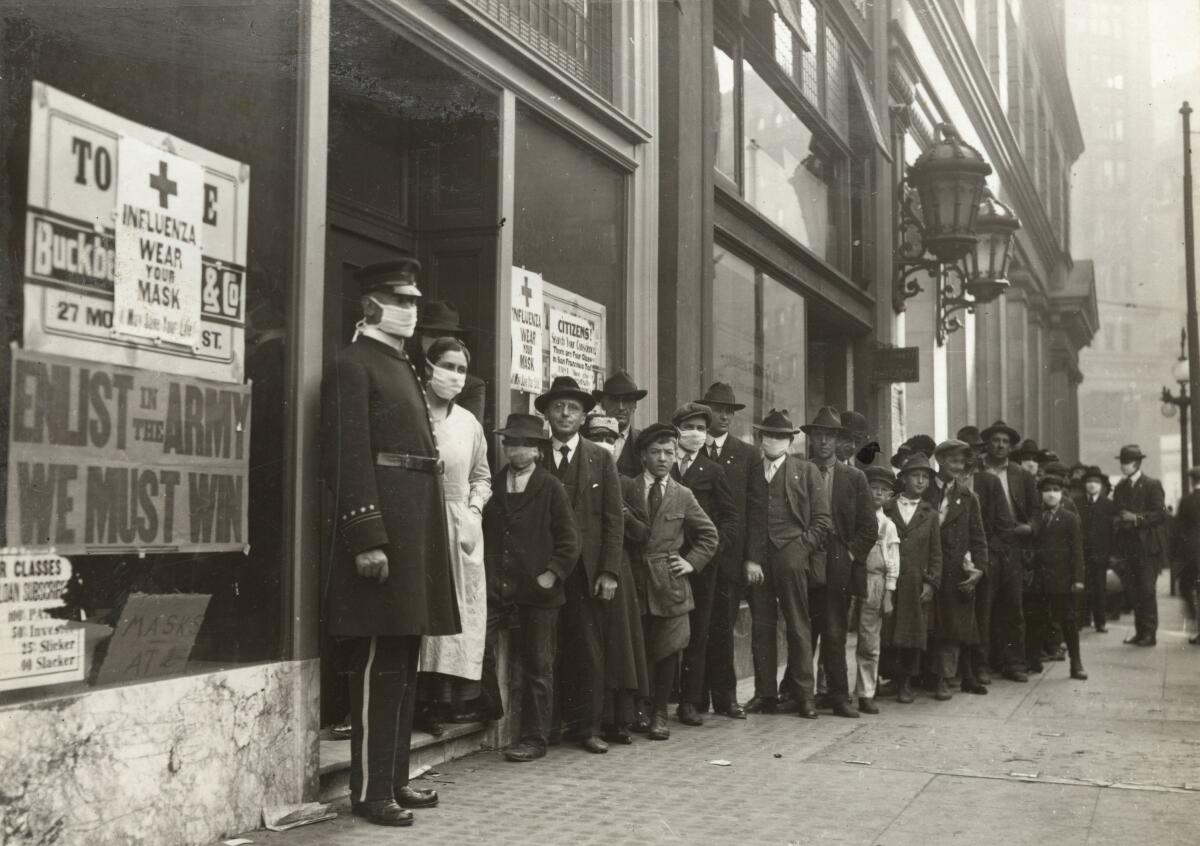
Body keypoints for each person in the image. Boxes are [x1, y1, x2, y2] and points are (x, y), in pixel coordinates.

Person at [321, 258, 459, 826]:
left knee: (403, 658)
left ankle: (395, 780)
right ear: (370, 304)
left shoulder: (399, 366)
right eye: (400, 299)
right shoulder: (355, 365)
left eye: (415, 300)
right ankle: (371, 791)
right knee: (380, 660)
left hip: (415, 529)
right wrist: (365, 535)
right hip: (384, 534)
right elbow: (349, 455)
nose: (411, 308)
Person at [483, 413, 581, 763]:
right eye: (509, 442)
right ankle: (489, 709)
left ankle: (534, 737)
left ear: (538, 450)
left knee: (538, 664)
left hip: (539, 592)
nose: (514, 449)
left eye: (522, 443)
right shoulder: (496, 483)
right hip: (500, 586)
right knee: (479, 644)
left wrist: (552, 575)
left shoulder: (550, 486)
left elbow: (570, 541)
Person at [537, 375, 624, 753]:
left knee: (588, 649)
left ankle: (588, 728)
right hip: (546, 571)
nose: (565, 413)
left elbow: (612, 520)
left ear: (584, 414)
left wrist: (608, 571)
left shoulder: (600, 458)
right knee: (545, 649)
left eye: (572, 407)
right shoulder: (536, 455)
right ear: (547, 414)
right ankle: (549, 727)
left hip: (588, 572)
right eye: (558, 406)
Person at [416, 338, 492, 733]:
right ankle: (417, 704)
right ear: (428, 367)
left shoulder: (468, 423)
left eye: (462, 369)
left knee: (459, 611)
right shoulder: (413, 414)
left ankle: (445, 703)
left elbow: (482, 477)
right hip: (420, 519)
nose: (455, 376)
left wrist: (474, 510)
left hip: (461, 523)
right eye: (448, 366)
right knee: (423, 606)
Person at [627, 423, 719, 740]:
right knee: (639, 647)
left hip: (670, 585)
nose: (663, 458)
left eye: (669, 452)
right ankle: (640, 708)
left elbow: (709, 535)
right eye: (655, 452)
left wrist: (689, 563)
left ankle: (660, 714)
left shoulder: (683, 494)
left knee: (668, 651)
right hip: (637, 581)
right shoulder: (629, 488)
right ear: (643, 456)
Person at [743, 409, 832, 719]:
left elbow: (822, 520)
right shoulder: (752, 470)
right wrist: (751, 558)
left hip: (792, 554)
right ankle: (764, 694)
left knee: (798, 624)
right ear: (759, 438)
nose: (774, 441)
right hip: (759, 559)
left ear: (791, 440)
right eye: (769, 435)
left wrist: (801, 548)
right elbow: (748, 518)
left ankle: (804, 695)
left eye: (781, 436)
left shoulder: (806, 471)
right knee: (762, 626)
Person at [581, 410, 650, 744]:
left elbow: (642, 532)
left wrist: (622, 514)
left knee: (620, 646)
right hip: (585, 567)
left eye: (610, 439)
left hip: (616, 568)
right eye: (597, 438)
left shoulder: (624, 481)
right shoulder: (579, 473)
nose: (604, 445)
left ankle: (620, 719)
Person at [803, 407, 877, 719]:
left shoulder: (854, 478)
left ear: (838, 440)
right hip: (806, 555)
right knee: (802, 629)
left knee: (834, 631)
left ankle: (839, 697)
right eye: (817, 435)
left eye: (829, 436)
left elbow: (869, 528)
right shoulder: (798, 471)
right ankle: (800, 694)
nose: (823, 441)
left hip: (837, 557)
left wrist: (848, 555)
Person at [670, 403, 738, 728]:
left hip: (700, 565)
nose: (695, 433)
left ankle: (690, 702)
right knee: (665, 631)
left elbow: (729, 518)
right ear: (677, 430)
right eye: (689, 427)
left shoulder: (713, 471)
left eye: (701, 428)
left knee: (698, 633)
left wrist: (708, 553)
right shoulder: (664, 465)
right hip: (667, 561)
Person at [696, 382, 758, 719]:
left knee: (724, 626)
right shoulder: (690, 448)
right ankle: (696, 696)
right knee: (697, 627)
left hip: (731, 558)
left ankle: (725, 697)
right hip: (696, 557)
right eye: (717, 410)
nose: (723, 416)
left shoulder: (747, 454)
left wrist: (751, 557)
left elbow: (755, 509)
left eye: (728, 411)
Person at [928, 440, 989, 699]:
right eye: (952, 460)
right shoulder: (922, 489)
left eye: (961, 462)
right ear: (939, 461)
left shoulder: (967, 497)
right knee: (922, 622)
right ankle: (908, 678)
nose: (957, 466)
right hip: (926, 566)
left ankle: (944, 679)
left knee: (950, 627)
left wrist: (979, 570)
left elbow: (978, 538)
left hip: (955, 570)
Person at [980, 419, 1039, 683]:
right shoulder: (977, 470)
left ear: (1010, 446)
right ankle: (982, 664)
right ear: (988, 443)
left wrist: (1030, 527)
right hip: (984, 543)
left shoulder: (1021, 475)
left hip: (1013, 544)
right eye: (996, 440)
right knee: (984, 606)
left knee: (1013, 606)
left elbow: (1036, 511)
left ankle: (1014, 662)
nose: (1000, 445)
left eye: (1005, 441)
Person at [954, 424, 1013, 686]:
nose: (969, 457)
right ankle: (956, 668)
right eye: (963, 452)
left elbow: (1004, 525)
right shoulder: (947, 481)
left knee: (982, 614)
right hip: (953, 559)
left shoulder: (989, 482)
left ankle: (980, 665)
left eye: (974, 451)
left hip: (982, 559)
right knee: (955, 613)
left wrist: (984, 558)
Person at [881, 454, 942, 704]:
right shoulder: (887, 507)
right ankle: (890, 679)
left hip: (916, 582)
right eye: (915, 475)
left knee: (912, 633)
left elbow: (936, 553)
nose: (920, 480)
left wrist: (931, 582)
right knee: (887, 630)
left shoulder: (930, 514)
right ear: (903, 478)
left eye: (925, 477)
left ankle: (906, 682)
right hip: (889, 579)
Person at [1026, 474, 1088, 680]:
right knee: (1036, 621)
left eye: (1056, 490)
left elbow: (1077, 551)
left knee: (1068, 621)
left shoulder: (1069, 518)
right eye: (1047, 490)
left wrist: (1078, 579)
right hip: (1038, 580)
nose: (1051, 494)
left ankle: (1076, 663)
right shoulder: (1035, 518)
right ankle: (1034, 661)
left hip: (1062, 580)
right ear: (1040, 494)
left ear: (1062, 494)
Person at [1112, 445, 1168, 647]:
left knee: (1146, 590)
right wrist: (1120, 519)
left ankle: (1149, 633)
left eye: (1126, 462)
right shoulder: (1120, 487)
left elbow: (1160, 513)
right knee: (1133, 591)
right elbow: (1116, 510)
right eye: (1122, 461)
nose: (1123, 465)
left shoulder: (1152, 484)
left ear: (1136, 463)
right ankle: (1140, 632)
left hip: (1147, 548)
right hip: (1128, 547)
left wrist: (1136, 518)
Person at [855, 466, 900, 714]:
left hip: (875, 582)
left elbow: (893, 562)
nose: (878, 493)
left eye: (884, 490)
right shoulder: (854, 517)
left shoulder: (888, 526)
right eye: (874, 488)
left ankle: (866, 692)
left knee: (869, 641)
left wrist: (889, 594)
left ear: (890, 496)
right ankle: (829, 689)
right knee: (837, 635)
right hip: (851, 580)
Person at [410, 300, 486, 423]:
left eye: (445, 334)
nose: (437, 340)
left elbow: (468, 432)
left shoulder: (471, 386)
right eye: (432, 334)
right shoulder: (409, 374)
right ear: (422, 337)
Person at [1079, 465, 1116, 633]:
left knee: (1100, 588)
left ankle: (1100, 621)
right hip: (1081, 553)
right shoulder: (1077, 503)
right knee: (1082, 586)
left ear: (1101, 485)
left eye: (1095, 481)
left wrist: (1111, 553)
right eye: (1089, 481)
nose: (1092, 484)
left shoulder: (1108, 505)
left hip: (1101, 553)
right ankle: (1083, 619)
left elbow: (1112, 532)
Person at [593, 369, 648, 477]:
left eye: (627, 401)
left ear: (634, 406)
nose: (621, 407)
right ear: (603, 404)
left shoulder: (643, 442)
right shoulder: (589, 439)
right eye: (614, 400)